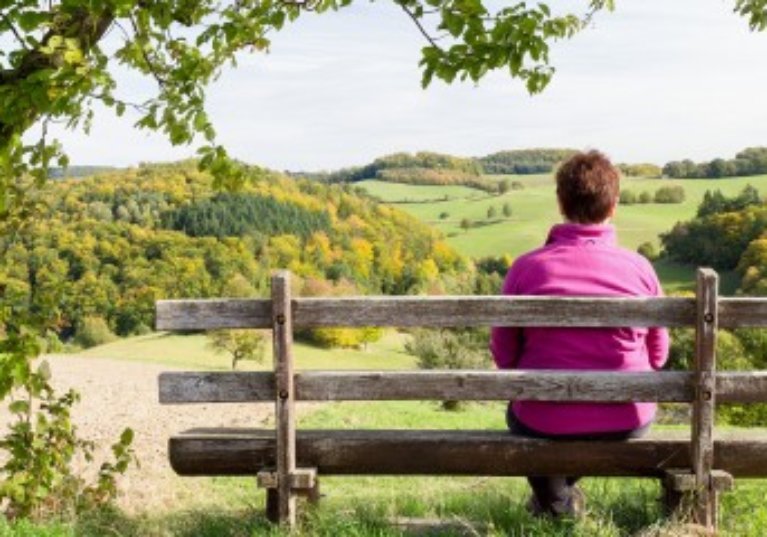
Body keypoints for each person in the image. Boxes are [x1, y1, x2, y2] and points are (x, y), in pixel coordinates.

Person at [489, 150, 669, 518]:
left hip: (545, 419)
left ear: (560, 201)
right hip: (627, 418)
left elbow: (505, 358)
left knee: (528, 413)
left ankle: (555, 502)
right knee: (556, 415)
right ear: (614, 205)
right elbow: (658, 356)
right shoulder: (640, 269)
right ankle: (556, 502)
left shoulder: (526, 268)